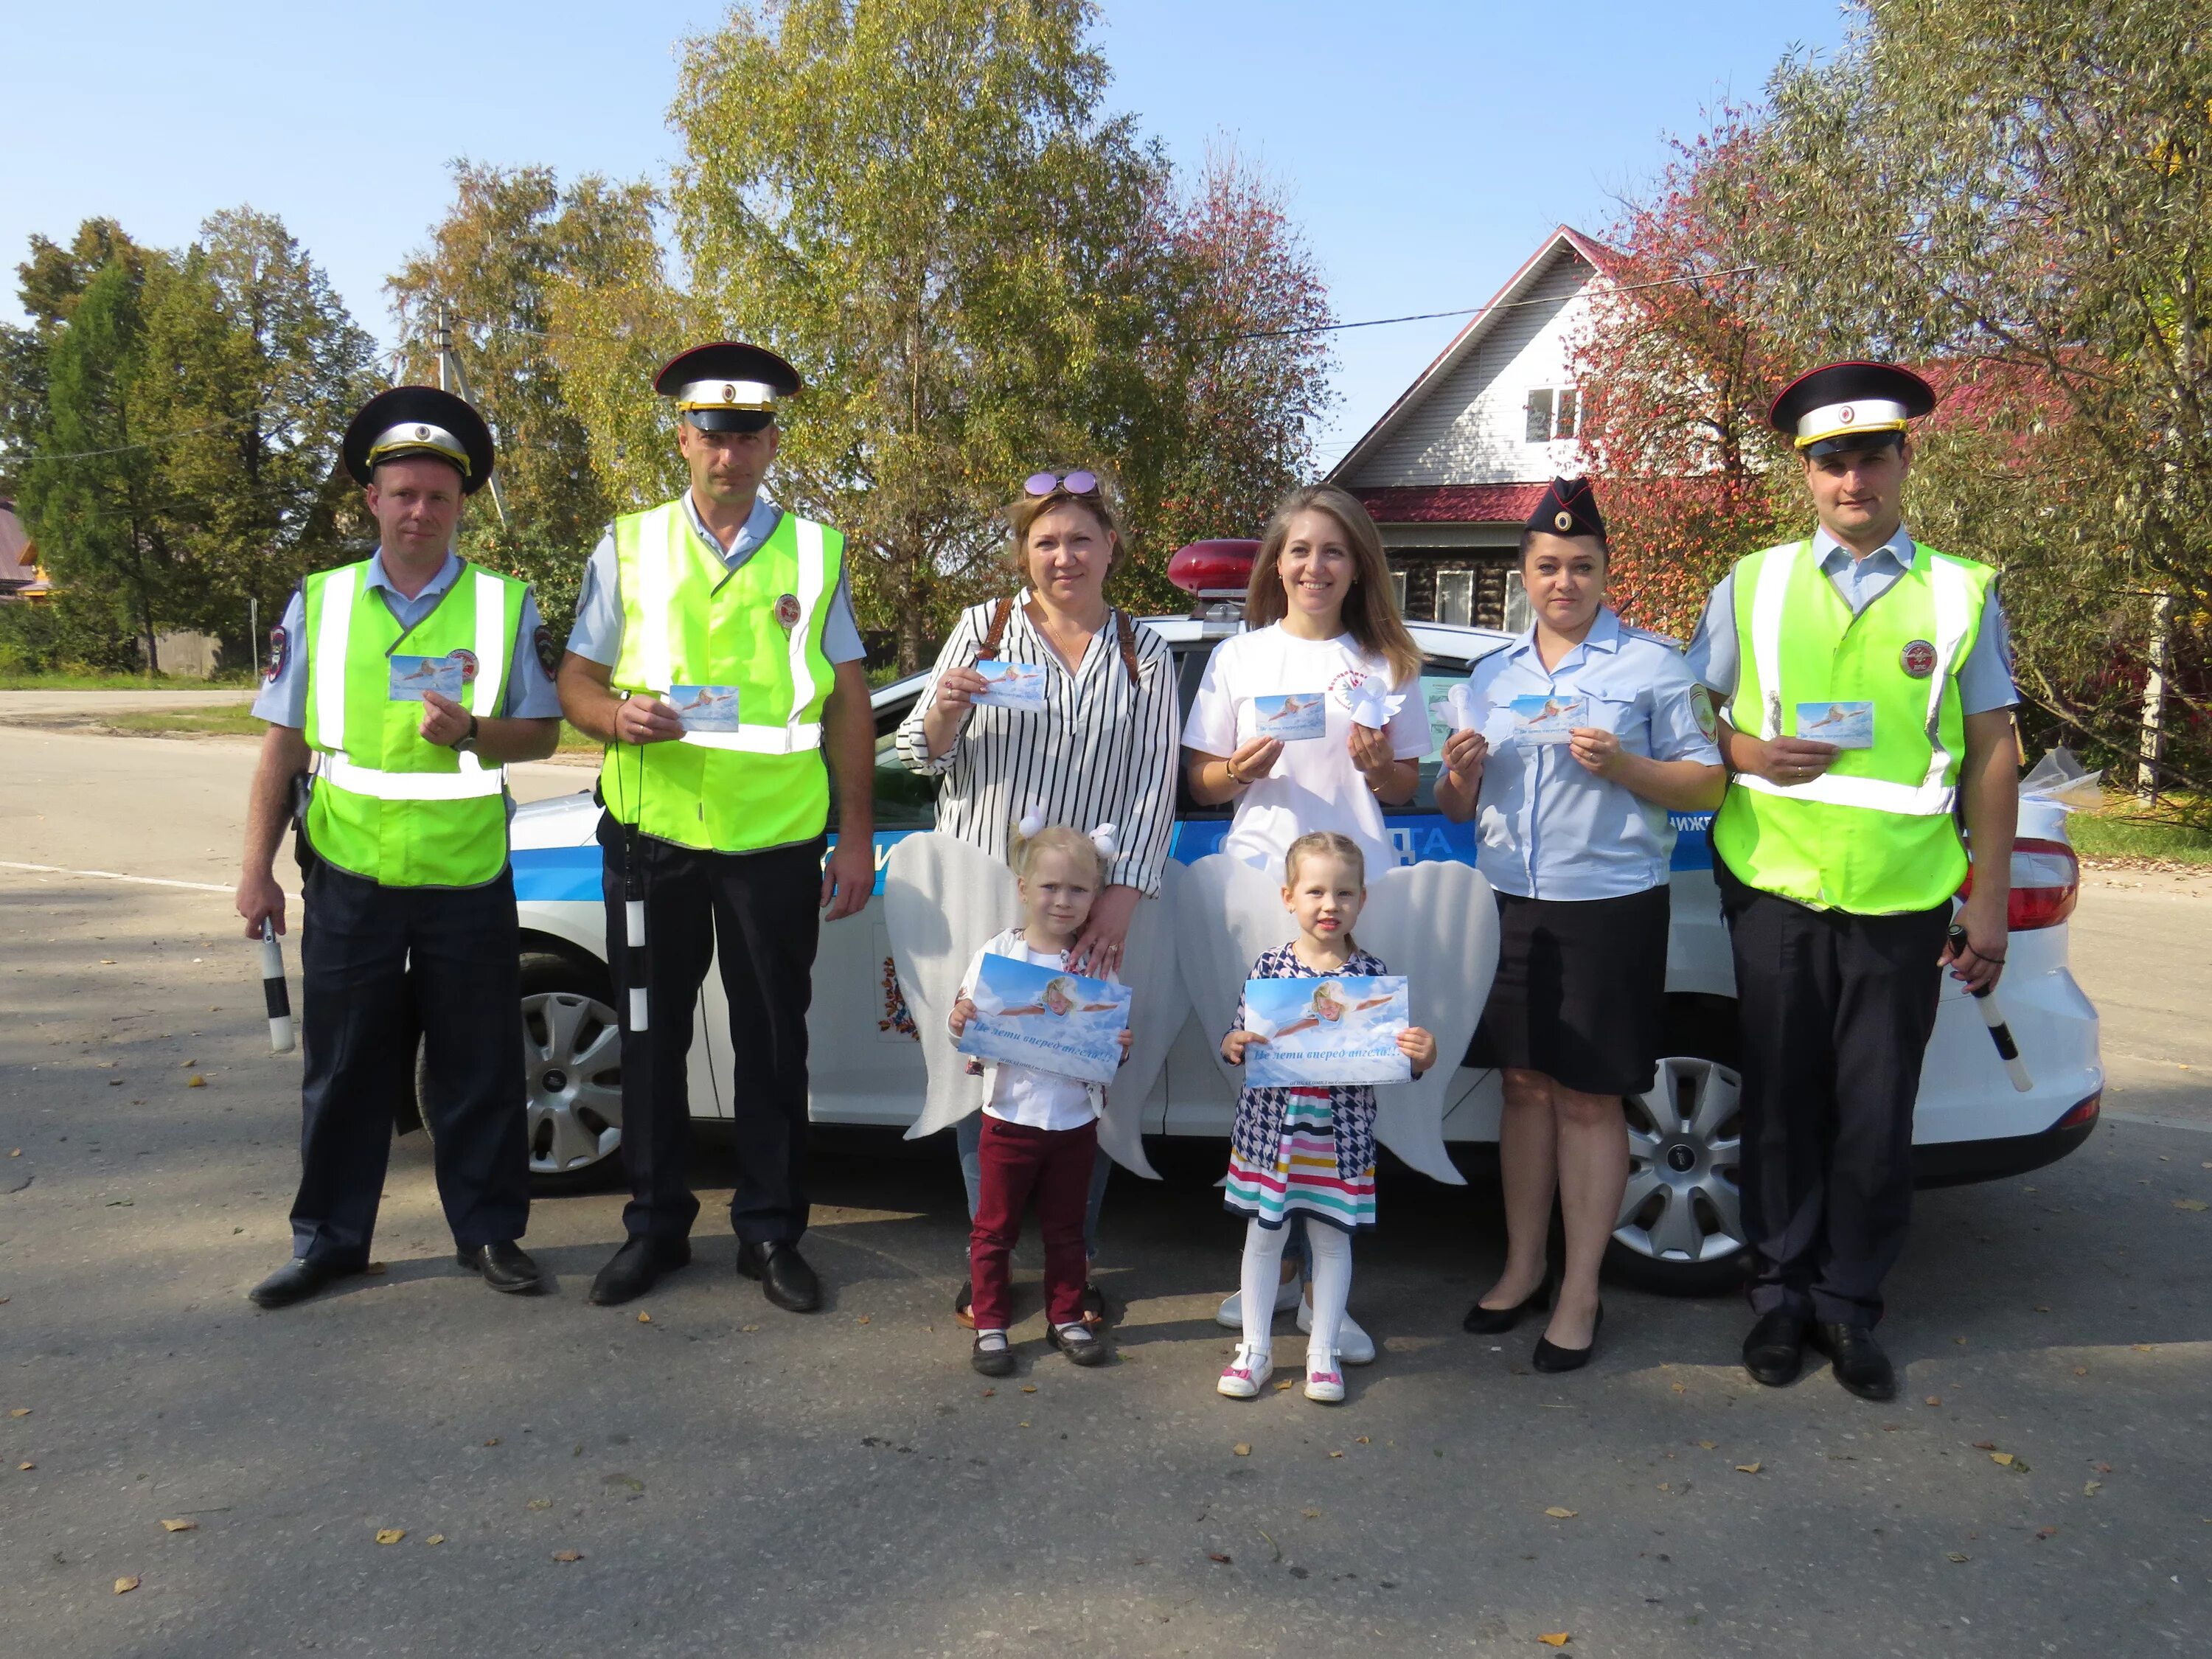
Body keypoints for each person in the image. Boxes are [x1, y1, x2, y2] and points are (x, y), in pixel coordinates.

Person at [1686, 361, 2018, 1402]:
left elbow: (1994, 748)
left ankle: (1850, 1305)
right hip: (1774, 882)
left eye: (1871, 455)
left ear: (1903, 459)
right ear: (1806, 475)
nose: (1851, 478)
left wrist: (1991, 899)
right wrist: (1741, 750)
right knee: (1780, 1102)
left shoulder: (1959, 591)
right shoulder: (1752, 582)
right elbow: (1691, 712)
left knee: (1877, 1113)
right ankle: (1779, 1297)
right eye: (1830, 461)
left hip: (1902, 896)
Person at [557, 343, 877, 1314]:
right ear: (683, 438)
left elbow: (851, 703)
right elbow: (576, 679)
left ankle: (772, 1232)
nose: (727, 454)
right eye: (710, 434)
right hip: (652, 839)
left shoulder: (816, 552)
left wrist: (854, 835)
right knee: (648, 1037)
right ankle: (654, 1227)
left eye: (746, 435)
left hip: (773, 844)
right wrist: (614, 717)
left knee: (773, 1045)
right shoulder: (628, 545)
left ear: (771, 441)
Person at [234, 387, 563, 1308]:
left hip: (466, 875)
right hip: (351, 875)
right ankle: (330, 1241)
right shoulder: (321, 603)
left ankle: (490, 1233)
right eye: (404, 494)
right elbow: (282, 742)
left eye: (439, 498)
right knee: (342, 1071)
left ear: (460, 509)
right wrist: (255, 866)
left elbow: (539, 735)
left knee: (480, 1067)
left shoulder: (505, 604)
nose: (421, 511)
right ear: (372, 500)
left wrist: (471, 734)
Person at [1433, 479, 1725, 1371]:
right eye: (1548, 566)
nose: (1564, 581)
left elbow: (1708, 783)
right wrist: (1459, 772)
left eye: (1582, 566)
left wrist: (1629, 766)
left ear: (1605, 571)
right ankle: (1522, 1269)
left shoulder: (1652, 666)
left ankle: (1581, 1291)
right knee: (1523, 1087)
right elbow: (1455, 811)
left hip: (1608, 905)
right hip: (1510, 904)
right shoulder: (1491, 678)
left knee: (1591, 1099)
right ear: (1524, 572)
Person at [894, 469, 1178, 1328]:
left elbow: (1156, 782)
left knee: (1082, 1076)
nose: (1065, 555)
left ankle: (1070, 1261)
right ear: (1025, 551)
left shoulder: (1144, 650)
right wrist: (943, 705)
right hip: (986, 887)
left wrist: (1123, 898)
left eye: (1081, 538)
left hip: (1083, 908)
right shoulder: (981, 630)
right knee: (984, 1071)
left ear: (1111, 547)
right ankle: (993, 1259)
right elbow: (920, 755)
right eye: (1047, 541)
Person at [1183, 484, 1432, 1365]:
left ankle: (1330, 1295)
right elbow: (1200, 780)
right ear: (1276, 564)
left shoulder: (1388, 661)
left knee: (1344, 1095)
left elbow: (1406, 786)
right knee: (1264, 1092)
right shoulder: (1239, 659)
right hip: (1260, 890)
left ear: (1358, 563)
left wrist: (1380, 767)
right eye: (1299, 551)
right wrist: (1237, 772)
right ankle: (1272, 1278)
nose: (1315, 567)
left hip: (1352, 900)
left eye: (1333, 551)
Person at [1215, 832, 1438, 1402]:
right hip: (1274, 1139)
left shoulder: (1371, 979)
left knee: (1334, 1244)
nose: (1329, 904)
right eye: (1315, 891)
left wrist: (1420, 1056)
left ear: (1361, 900)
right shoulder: (1268, 969)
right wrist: (1235, 1043)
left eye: (1343, 892)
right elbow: (1238, 1038)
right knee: (1263, 1241)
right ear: (1289, 897)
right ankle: (1255, 1352)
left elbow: (1391, 1061)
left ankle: (1322, 1356)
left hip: (1340, 1141)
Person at [947, 822, 1134, 1376]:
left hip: (1074, 1123)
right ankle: (991, 1324)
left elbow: (1106, 1052)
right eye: (1050, 887)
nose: (1063, 900)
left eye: (1078, 890)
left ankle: (1067, 1316)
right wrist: (961, 1020)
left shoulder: (1098, 965)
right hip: (1008, 1118)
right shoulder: (998, 954)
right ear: (1024, 888)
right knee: (993, 1229)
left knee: (1067, 1228)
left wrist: (1119, 1047)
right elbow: (964, 1031)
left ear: (1095, 898)